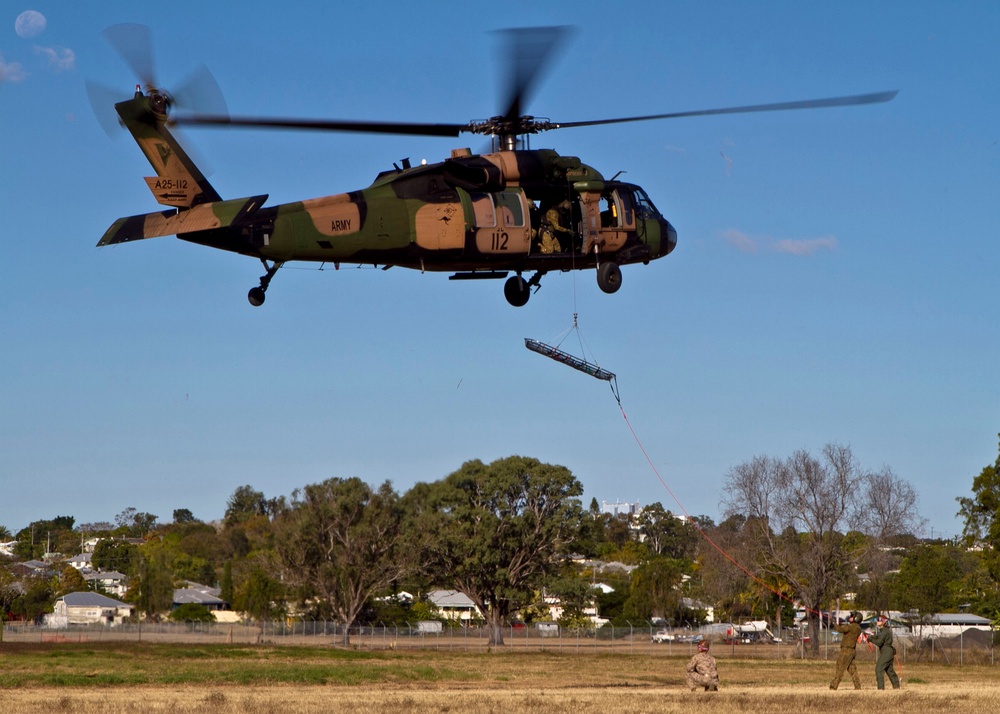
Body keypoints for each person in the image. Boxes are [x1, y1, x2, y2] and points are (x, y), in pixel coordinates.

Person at [829, 610, 864, 690]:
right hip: (851, 650)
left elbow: (840, 629)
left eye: (852, 616)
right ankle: (857, 686)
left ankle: (834, 685)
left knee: (840, 666)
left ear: (856, 618)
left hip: (847, 650)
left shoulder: (852, 626)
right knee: (852, 669)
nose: (850, 617)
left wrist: (834, 622)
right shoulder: (857, 627)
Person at [871, 616, 900, 690]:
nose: (877, 622)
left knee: (879, 669)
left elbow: (879, 642)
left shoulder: (884, 631)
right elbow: (878, 637)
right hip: (888, 652)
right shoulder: (885, 631)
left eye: (879, 620)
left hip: (886, 652)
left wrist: (871, 639)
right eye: (877, 620)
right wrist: (871, 636)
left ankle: (881, 689)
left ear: (884, 622)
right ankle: (896, 687)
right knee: (890, 671)